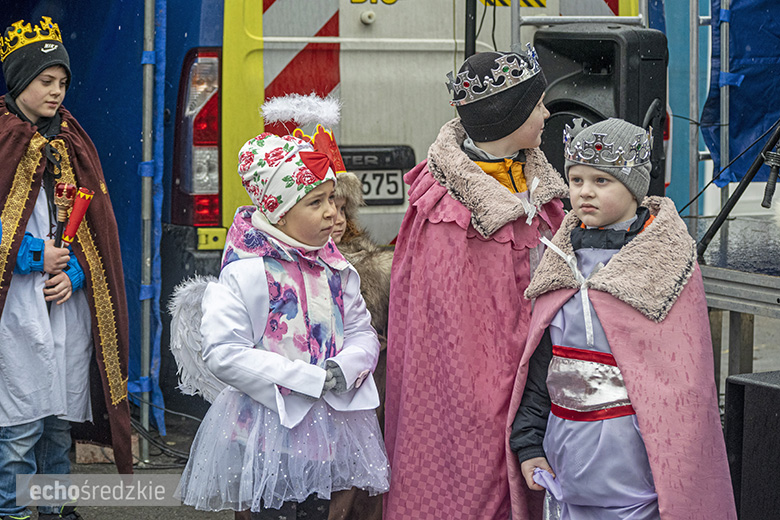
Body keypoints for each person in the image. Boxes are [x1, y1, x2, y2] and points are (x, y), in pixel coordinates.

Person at [509, 118, 737, 519]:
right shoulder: (559, 262)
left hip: (635, 470)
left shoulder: (665, 266)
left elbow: (683, 385)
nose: (585, 192)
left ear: (634, 188)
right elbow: (540, 366)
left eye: (601, 181)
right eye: (576, 180)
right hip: (567, 462)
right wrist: (528, 444)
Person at [384, 44, 568, 520]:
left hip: (535, 383)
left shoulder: (538, 184)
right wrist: (498, 387)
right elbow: (447, 332)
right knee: (467, 479)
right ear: (507, 118)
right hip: (473, 394)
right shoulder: (446, 209)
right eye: (536, 104)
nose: (547, 113)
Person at [176, 133, 390, 520]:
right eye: (316, 202)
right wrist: (305, 377)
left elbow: (361, 330)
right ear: (279, 212)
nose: (332, 214)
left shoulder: (337, 268)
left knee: (323, 511)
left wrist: (348, 366)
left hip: (330, 427)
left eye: (332, 201)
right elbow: (223, 352)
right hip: (265, 429)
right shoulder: (246, 272)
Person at [0, 16, 133, 520]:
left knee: (56, 423)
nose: (56, 92)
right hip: (15, 308)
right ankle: (11, 511)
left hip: (64, 307)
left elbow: (98, 229)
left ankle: (56, 511)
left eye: (62, 82)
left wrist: (77, 271)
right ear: (19, 82)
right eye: (45, 81)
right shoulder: (2, 137)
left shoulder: (72, 138)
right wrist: (33, 255)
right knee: (18, 425)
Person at [328, 171, 392, 520]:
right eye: (325, 206)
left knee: (356, 478)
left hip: (360, 392)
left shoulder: (374, 268)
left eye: (341, 208)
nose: (335, 218)